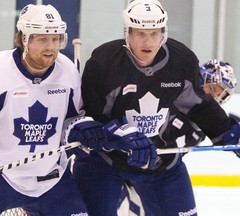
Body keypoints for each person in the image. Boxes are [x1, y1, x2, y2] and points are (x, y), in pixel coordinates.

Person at [72, 0, 240, 216]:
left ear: (164, 33)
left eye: (154, 33)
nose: (147, 41)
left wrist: (227, 131)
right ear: (128, 33)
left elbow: (199, 106)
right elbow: (91, 117)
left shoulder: (181, 61)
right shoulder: (103, 63)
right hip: (104, 163)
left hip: (161, 164)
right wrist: (118, 134)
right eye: (140, 33)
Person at [0, 4, 106, 215]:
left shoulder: (67, 70)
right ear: (24, 39)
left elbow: (72, 119)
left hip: (51, 179)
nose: (51, 47)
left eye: (56, 39)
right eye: (42, 39)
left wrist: (82, 128)